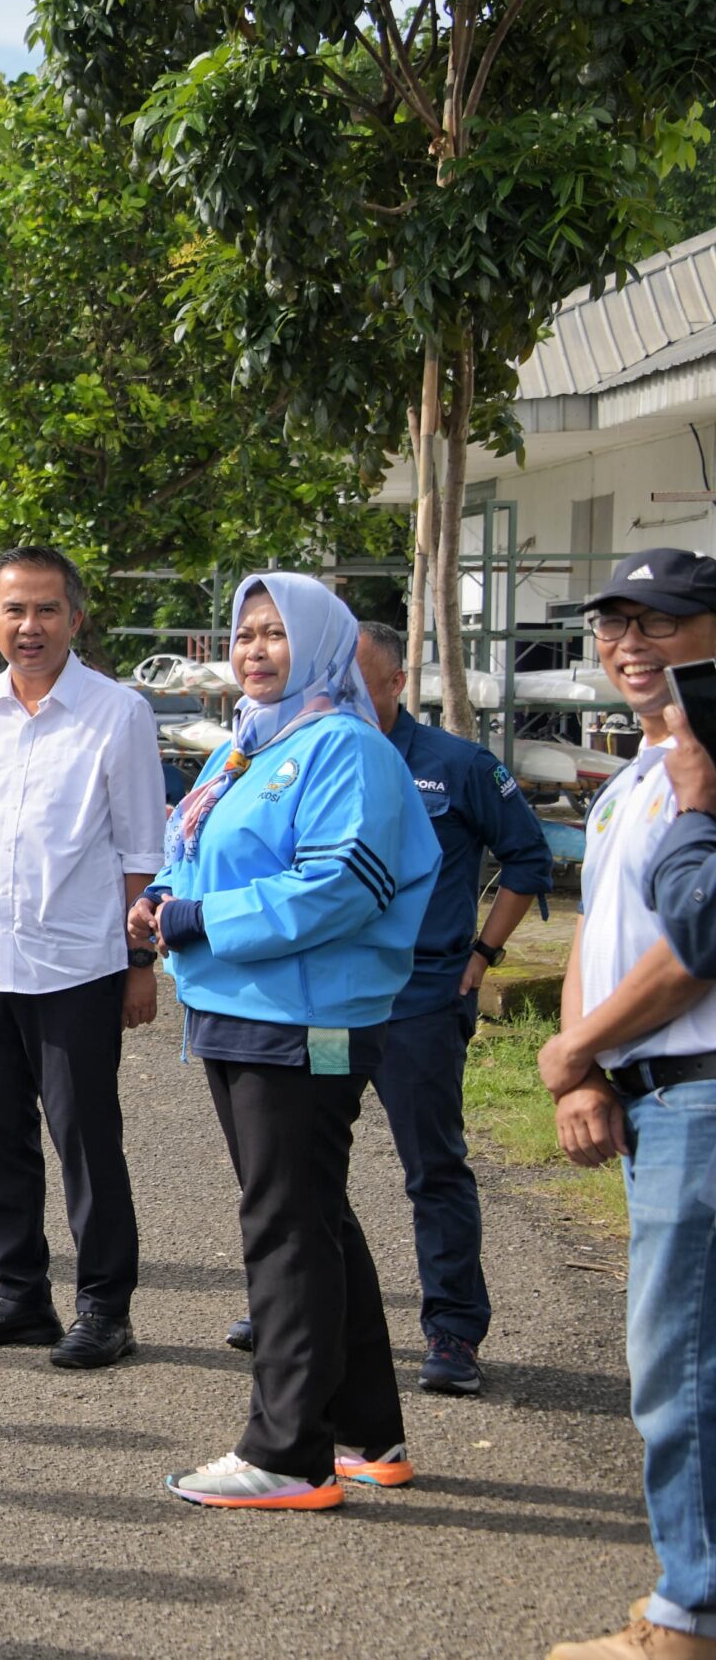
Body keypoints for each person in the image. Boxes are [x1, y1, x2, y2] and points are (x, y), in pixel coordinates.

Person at [135, 572, 437, 1510]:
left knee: (285, 1226)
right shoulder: (254, 747)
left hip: (304, 1017)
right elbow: (206, 854)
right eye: (244, 634)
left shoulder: (343, 748)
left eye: (275, 633)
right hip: (242, 1009)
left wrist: (197, 916)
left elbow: (340, 888)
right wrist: (161, 897)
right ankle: (365, 1433)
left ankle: (286, 1452)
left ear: (323, 644)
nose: (255, 649)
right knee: (313, 1215)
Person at [225, 620, 550, 1395]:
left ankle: (453, 1330)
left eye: (359, 679)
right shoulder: (305, 754)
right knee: (302, 1163)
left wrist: (483, 955)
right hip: (329, 1006)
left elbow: (528, 855)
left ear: (398, 683)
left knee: (431, 1166)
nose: (342, 693)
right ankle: (296, 1304)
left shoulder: (455, 765)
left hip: (416, 1008)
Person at [0, 545, 162, 1370]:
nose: (30, 626)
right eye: (14, 610)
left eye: (47, 610)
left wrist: (139, 964)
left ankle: (105, 1309)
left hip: (79, 967)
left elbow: (139, 851)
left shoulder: (117, 714)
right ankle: (21, 1296)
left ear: (75, 619)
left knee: (86, 1142)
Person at [532, 548, 716, 1660]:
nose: (629, 645)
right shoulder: (642, 772)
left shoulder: (710, 766)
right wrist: (588, 1065)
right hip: (647, 1092)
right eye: (613, 625)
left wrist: (573, 1048)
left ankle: (684, 1619)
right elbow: (600, 938)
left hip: (699, 1091)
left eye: (660, 623)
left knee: (679, 1370)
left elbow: (699, 953)